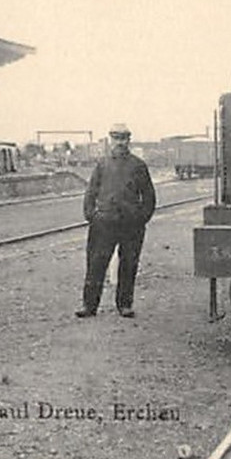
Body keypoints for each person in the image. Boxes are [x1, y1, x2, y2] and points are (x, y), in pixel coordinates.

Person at [77, 123, 156, 319]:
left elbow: (149, 197)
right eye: (117, 138)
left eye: (124, 138)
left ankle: (124, 305)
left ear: (129, 140)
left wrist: (141, 219)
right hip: (104, 223)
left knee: (128, 264)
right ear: (111, 140)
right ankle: (89, 306)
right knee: (96, 264)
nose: (120, 142)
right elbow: (90, 193)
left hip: (131, 225)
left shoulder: (138, 166)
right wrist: (91, 215)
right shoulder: (102, 165)